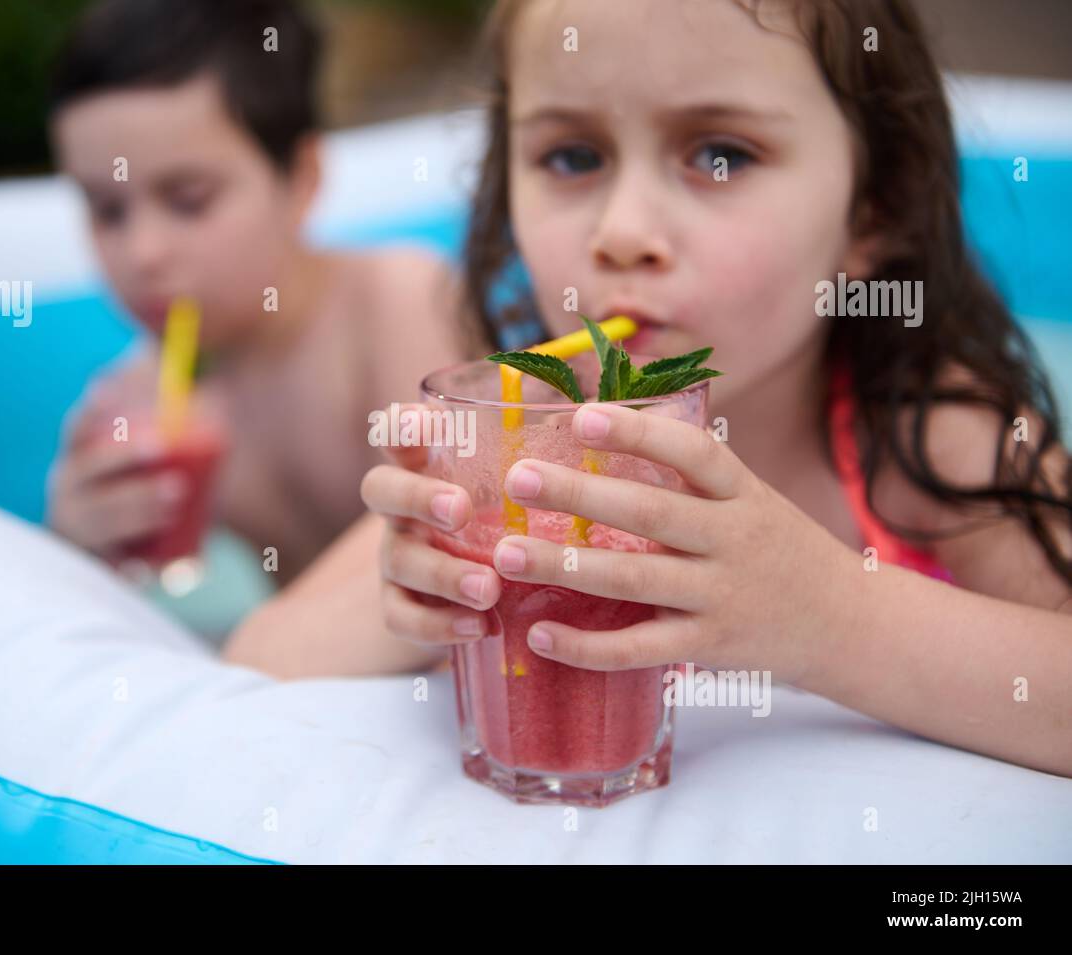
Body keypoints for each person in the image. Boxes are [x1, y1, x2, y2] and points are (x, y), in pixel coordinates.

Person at [251, 0, 1072, 777]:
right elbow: (252, 670)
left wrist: (829, 613)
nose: (622, 234)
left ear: (872, 212)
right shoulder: (519, 452)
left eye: (720, 156)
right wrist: (425, 585)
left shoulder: (934, 432)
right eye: (572, 157)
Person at [44, 0, 465, 595]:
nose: (143, 252)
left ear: (303, 178)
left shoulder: (396, 302)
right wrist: (70, 554)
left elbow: (445, 542)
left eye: (188, 199)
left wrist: (260, 654)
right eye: (106, 210)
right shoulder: (134, 405)